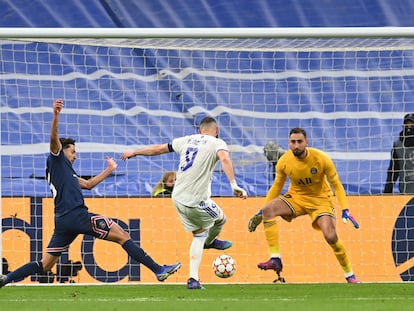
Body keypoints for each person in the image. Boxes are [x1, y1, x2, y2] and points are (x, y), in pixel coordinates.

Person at [0, 99, 181, 288]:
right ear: (63, 151)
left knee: (45, 265)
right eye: (73, 152)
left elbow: (88, 184)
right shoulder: (57, 159)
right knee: (122, 235)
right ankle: (158, 270)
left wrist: (109, 169)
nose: (75, 156)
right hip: (77, 215)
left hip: (63, 221)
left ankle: (7, 278)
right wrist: (56, 115)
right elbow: (54, 139)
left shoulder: (65, 173)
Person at [121, 116, 247, 289]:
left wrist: (135, 152)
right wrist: (234, 185)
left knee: (199, 234)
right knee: (221, 219)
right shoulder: (217, 143)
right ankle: (211, 242)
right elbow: (225, 159)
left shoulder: (186, 140)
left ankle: (193, 279)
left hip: (178, 199)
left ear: (199, 131)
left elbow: (158, 149)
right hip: (196, 200)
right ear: (216, 130)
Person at [248, 127, 360, 283]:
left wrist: (345, 208)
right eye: (293, 142)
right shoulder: (284, 161)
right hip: (297, 198)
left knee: (331, 236)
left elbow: (336, 184)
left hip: (321, 200)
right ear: (289, 143)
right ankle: (275, 259)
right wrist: (261, 211)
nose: (296, 145)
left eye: (299, 142)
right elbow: (277, 187)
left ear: (306, 142)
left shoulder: (321, 158)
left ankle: (350, 275)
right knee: (269, 209)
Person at [384, 113, 414, 194]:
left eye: (412, 126)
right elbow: (393, 171)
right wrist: (388, 191)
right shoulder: (398, 146)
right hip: (406, 193)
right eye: (406, 126)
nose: (409, 128)